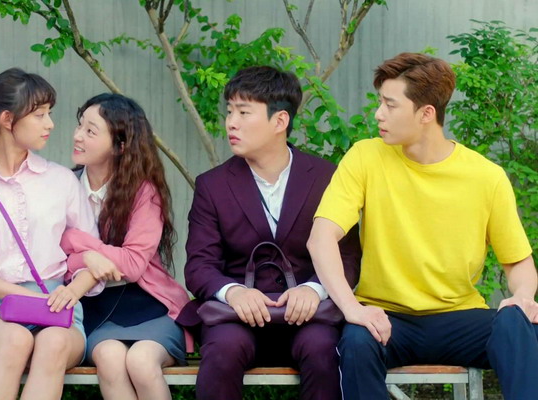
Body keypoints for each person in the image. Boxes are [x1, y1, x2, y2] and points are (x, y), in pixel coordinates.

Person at [308, 52, 538, 400]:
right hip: (387, 320)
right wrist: (352, 308)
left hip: (461, 319)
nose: (378, 114)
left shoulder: (486, 177)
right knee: (356, 341)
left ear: (426, 114)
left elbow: (518, 261)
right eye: (380, 102)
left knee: (518, 323)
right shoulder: (365, 157)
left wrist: (522, 297)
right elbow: (321, 238)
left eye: (390, 105)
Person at [177, 66, 361, 400]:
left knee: (323, 351)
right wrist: (233, 292)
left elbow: (348, 257)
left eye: (244, 112)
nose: (231, 123)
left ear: (280, 121)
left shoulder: (326, 177)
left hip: (309, 317)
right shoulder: (212, 185)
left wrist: (315, 289)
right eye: (230, 111)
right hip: (236, 318)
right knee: (222, 351)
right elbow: (199, 265)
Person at [0, 68, 100, 400]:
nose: (50, 124)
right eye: (40, 115)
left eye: (49, 113)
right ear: (7, 119)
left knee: (53, 342)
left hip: (56, 310)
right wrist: (26, 299)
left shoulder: (61, 181)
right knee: (15, 338)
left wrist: (70, 292)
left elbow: (89, 257)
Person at [60, 93, 192, 400]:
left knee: (142, 362)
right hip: (94, 309)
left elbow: (132, 264)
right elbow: (51, 259)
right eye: (80, 125)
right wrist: (87, 260)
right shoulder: (62, 187)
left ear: (119, 146)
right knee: (109, 359)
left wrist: (79, 245)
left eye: (91, 131)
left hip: (150, 306)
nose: (78, 136)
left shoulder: (144, 192)